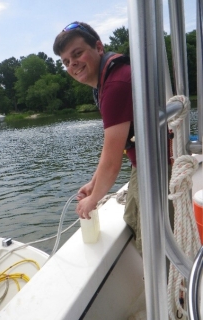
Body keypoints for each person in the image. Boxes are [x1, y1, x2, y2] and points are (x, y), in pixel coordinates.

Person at [53, 21, 142, 253]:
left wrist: (92, 201)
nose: (72, 64)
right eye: (66, 61)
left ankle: (170, 286)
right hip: (144, 164)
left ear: (99, 48)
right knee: (133, 219)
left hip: (160, 165)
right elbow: (112, 151)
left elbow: (112, 162)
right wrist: (94, 184)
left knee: (149, 233)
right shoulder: (108, 80)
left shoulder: (116, 84)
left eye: (77, 53)